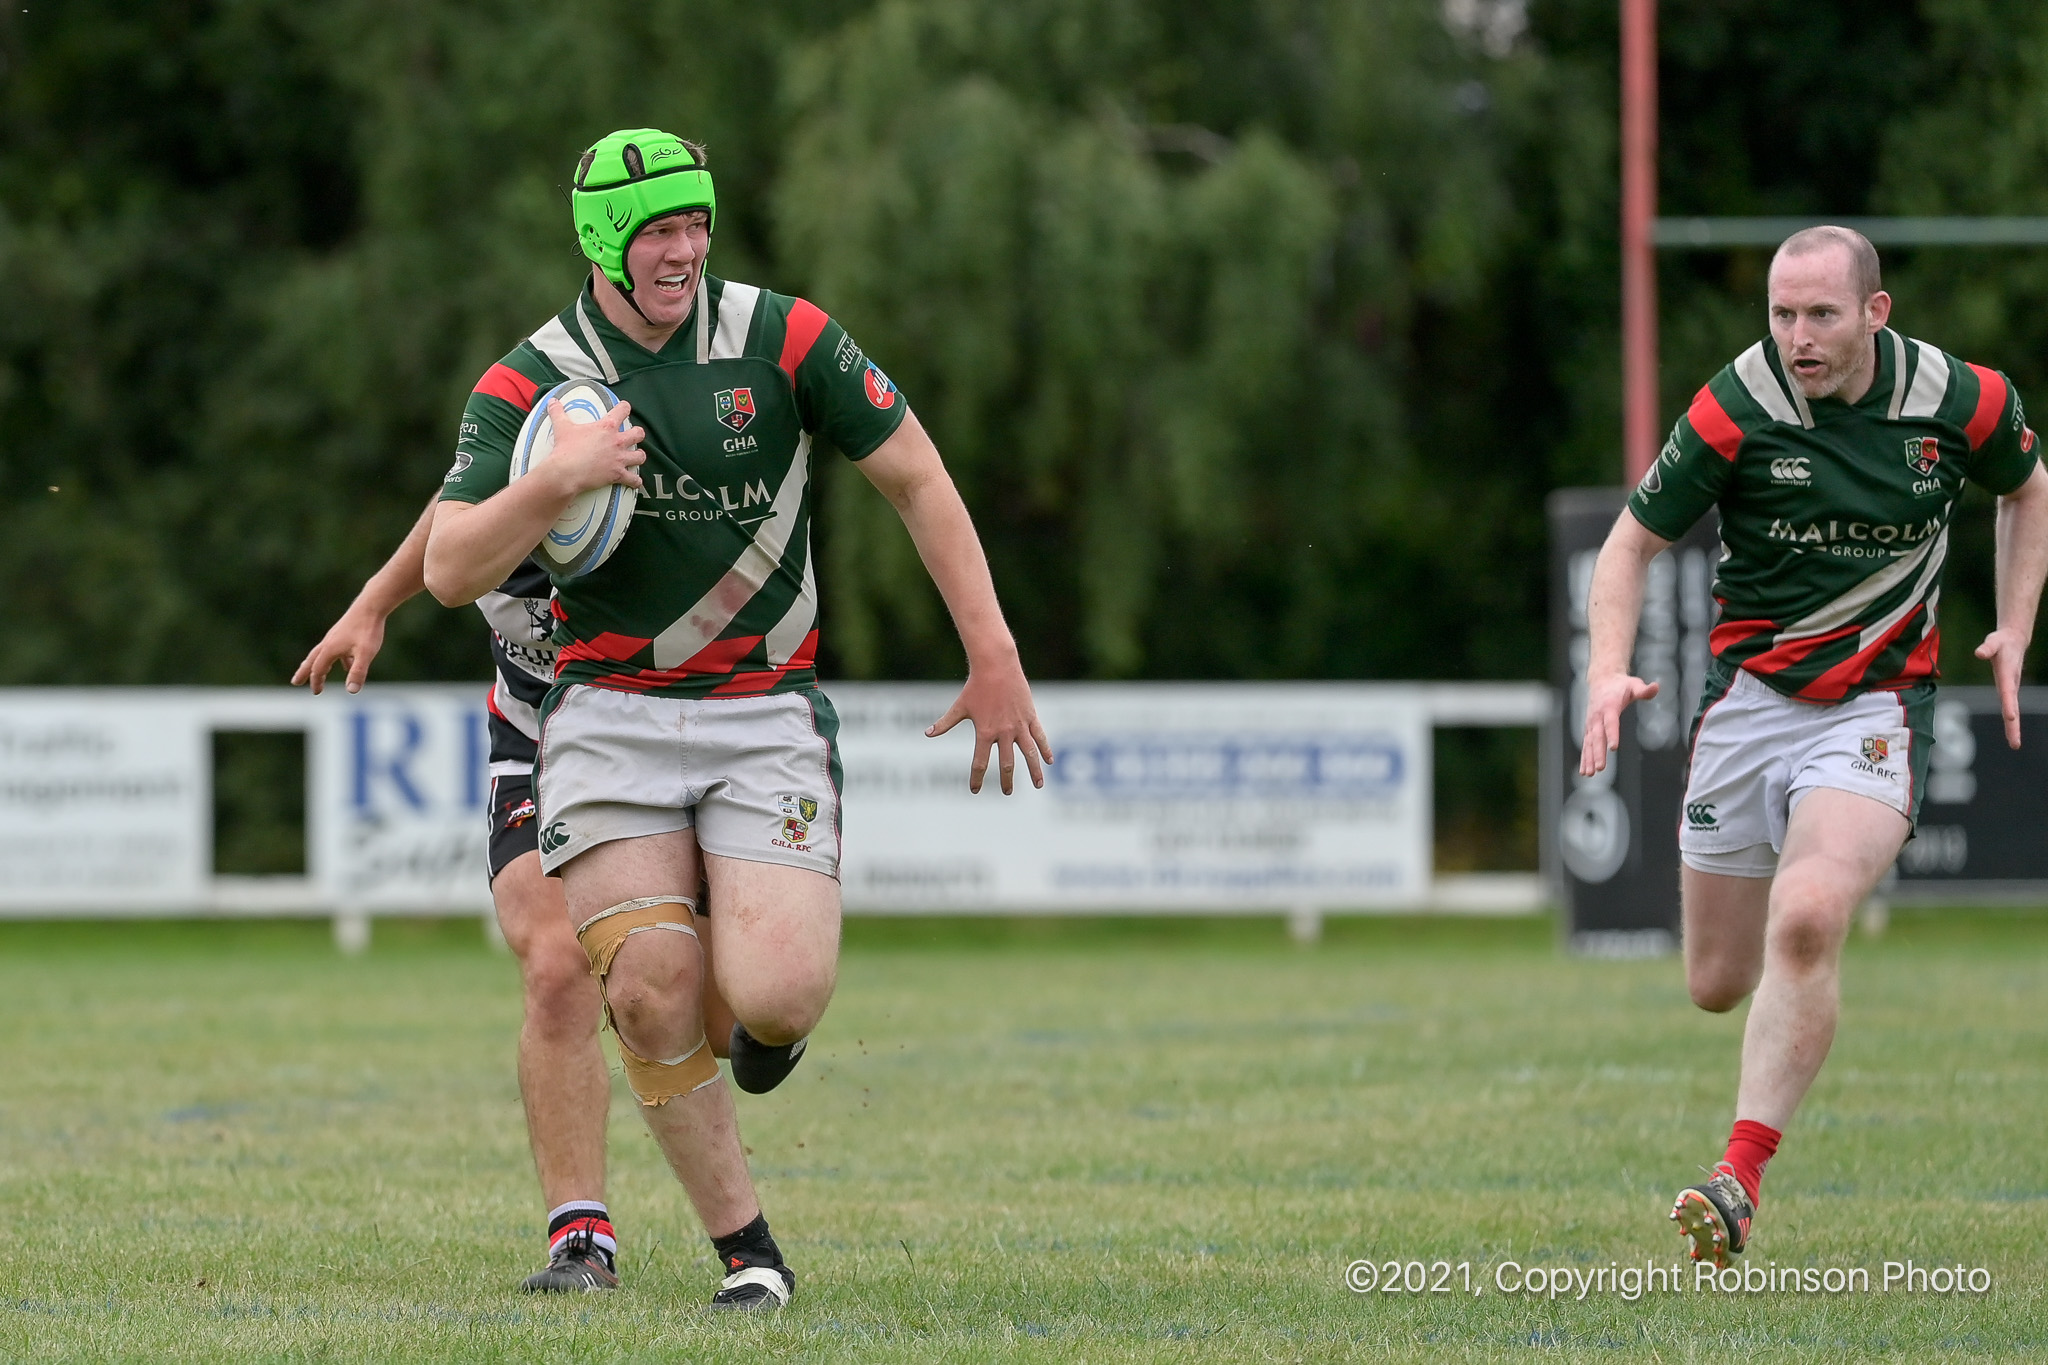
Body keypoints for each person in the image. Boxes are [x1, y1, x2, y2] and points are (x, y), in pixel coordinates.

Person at [422, 128, 1051, 1310]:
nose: (684, 248)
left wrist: (992, 649)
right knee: (647, 987)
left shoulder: (786, 338)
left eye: (696, 222)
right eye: (658, 229)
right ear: (605, 241)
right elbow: (452, 568)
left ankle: (757, 1027)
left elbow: (915, 473)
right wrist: (555, 482)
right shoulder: (533, 383)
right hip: (604, 714)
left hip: (764, 710)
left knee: (774, 997)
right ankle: (746, 1254)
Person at [1579, 225, 2048, 1268]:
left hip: (1875, 709)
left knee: (1807, 914)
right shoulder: (1735, 404)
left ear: (1872, 315)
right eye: (1781, 314)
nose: (1796, 336)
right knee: (1713, 979)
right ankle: (1765, 1017)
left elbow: (2027, 488)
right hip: (1747, 706)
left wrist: (2013, 624)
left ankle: (1736, 1176)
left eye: (1819, 315)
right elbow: (1627, 542)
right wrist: (1604, 667)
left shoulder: (1961, 400)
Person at [295, 508, 637, 1294]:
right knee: (556, 967)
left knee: (706, 1010)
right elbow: (449, 517)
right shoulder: (512, 416)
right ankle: (581, 1240)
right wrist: (375, 603)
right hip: (535, 743)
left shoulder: (649, 441)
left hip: (661, 736)